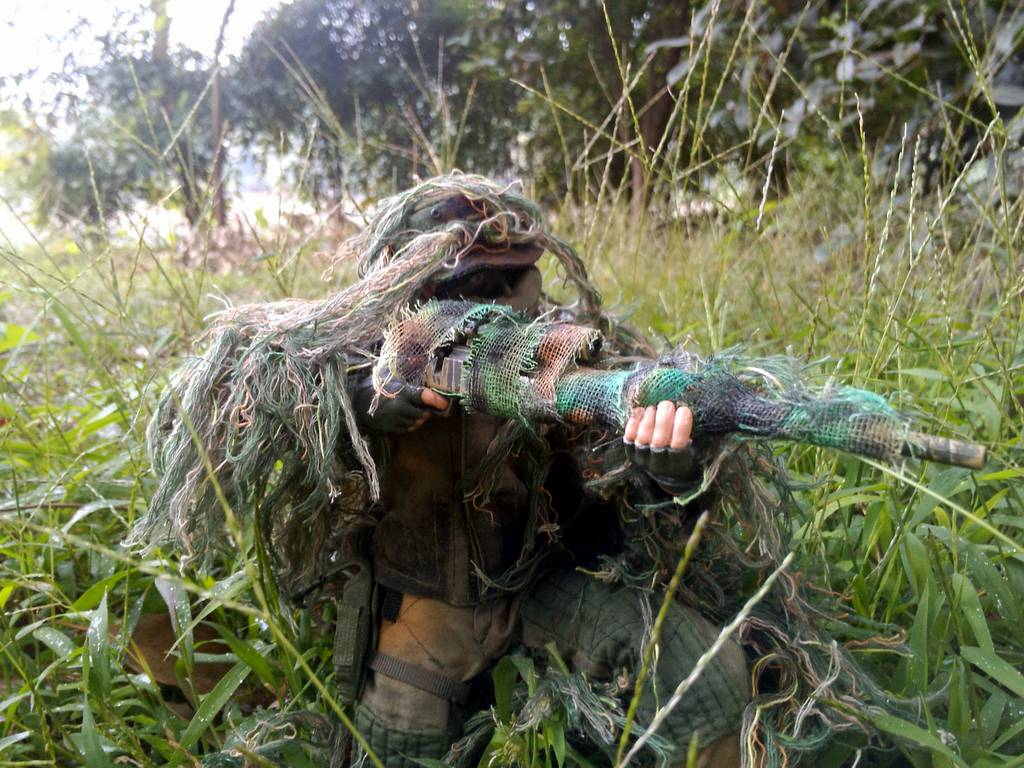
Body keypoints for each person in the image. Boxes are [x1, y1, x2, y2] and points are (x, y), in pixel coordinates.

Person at [341, 188, 750, 767]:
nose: (497, 303)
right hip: (426, 607)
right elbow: (270, 400)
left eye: (512, 279)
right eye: (471, 287)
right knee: (398, 745)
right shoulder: (361, 356)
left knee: (705, 676)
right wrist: (362, 404)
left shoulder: (568, 352)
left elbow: (632, 482)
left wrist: (672, 471)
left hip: (542, 580)